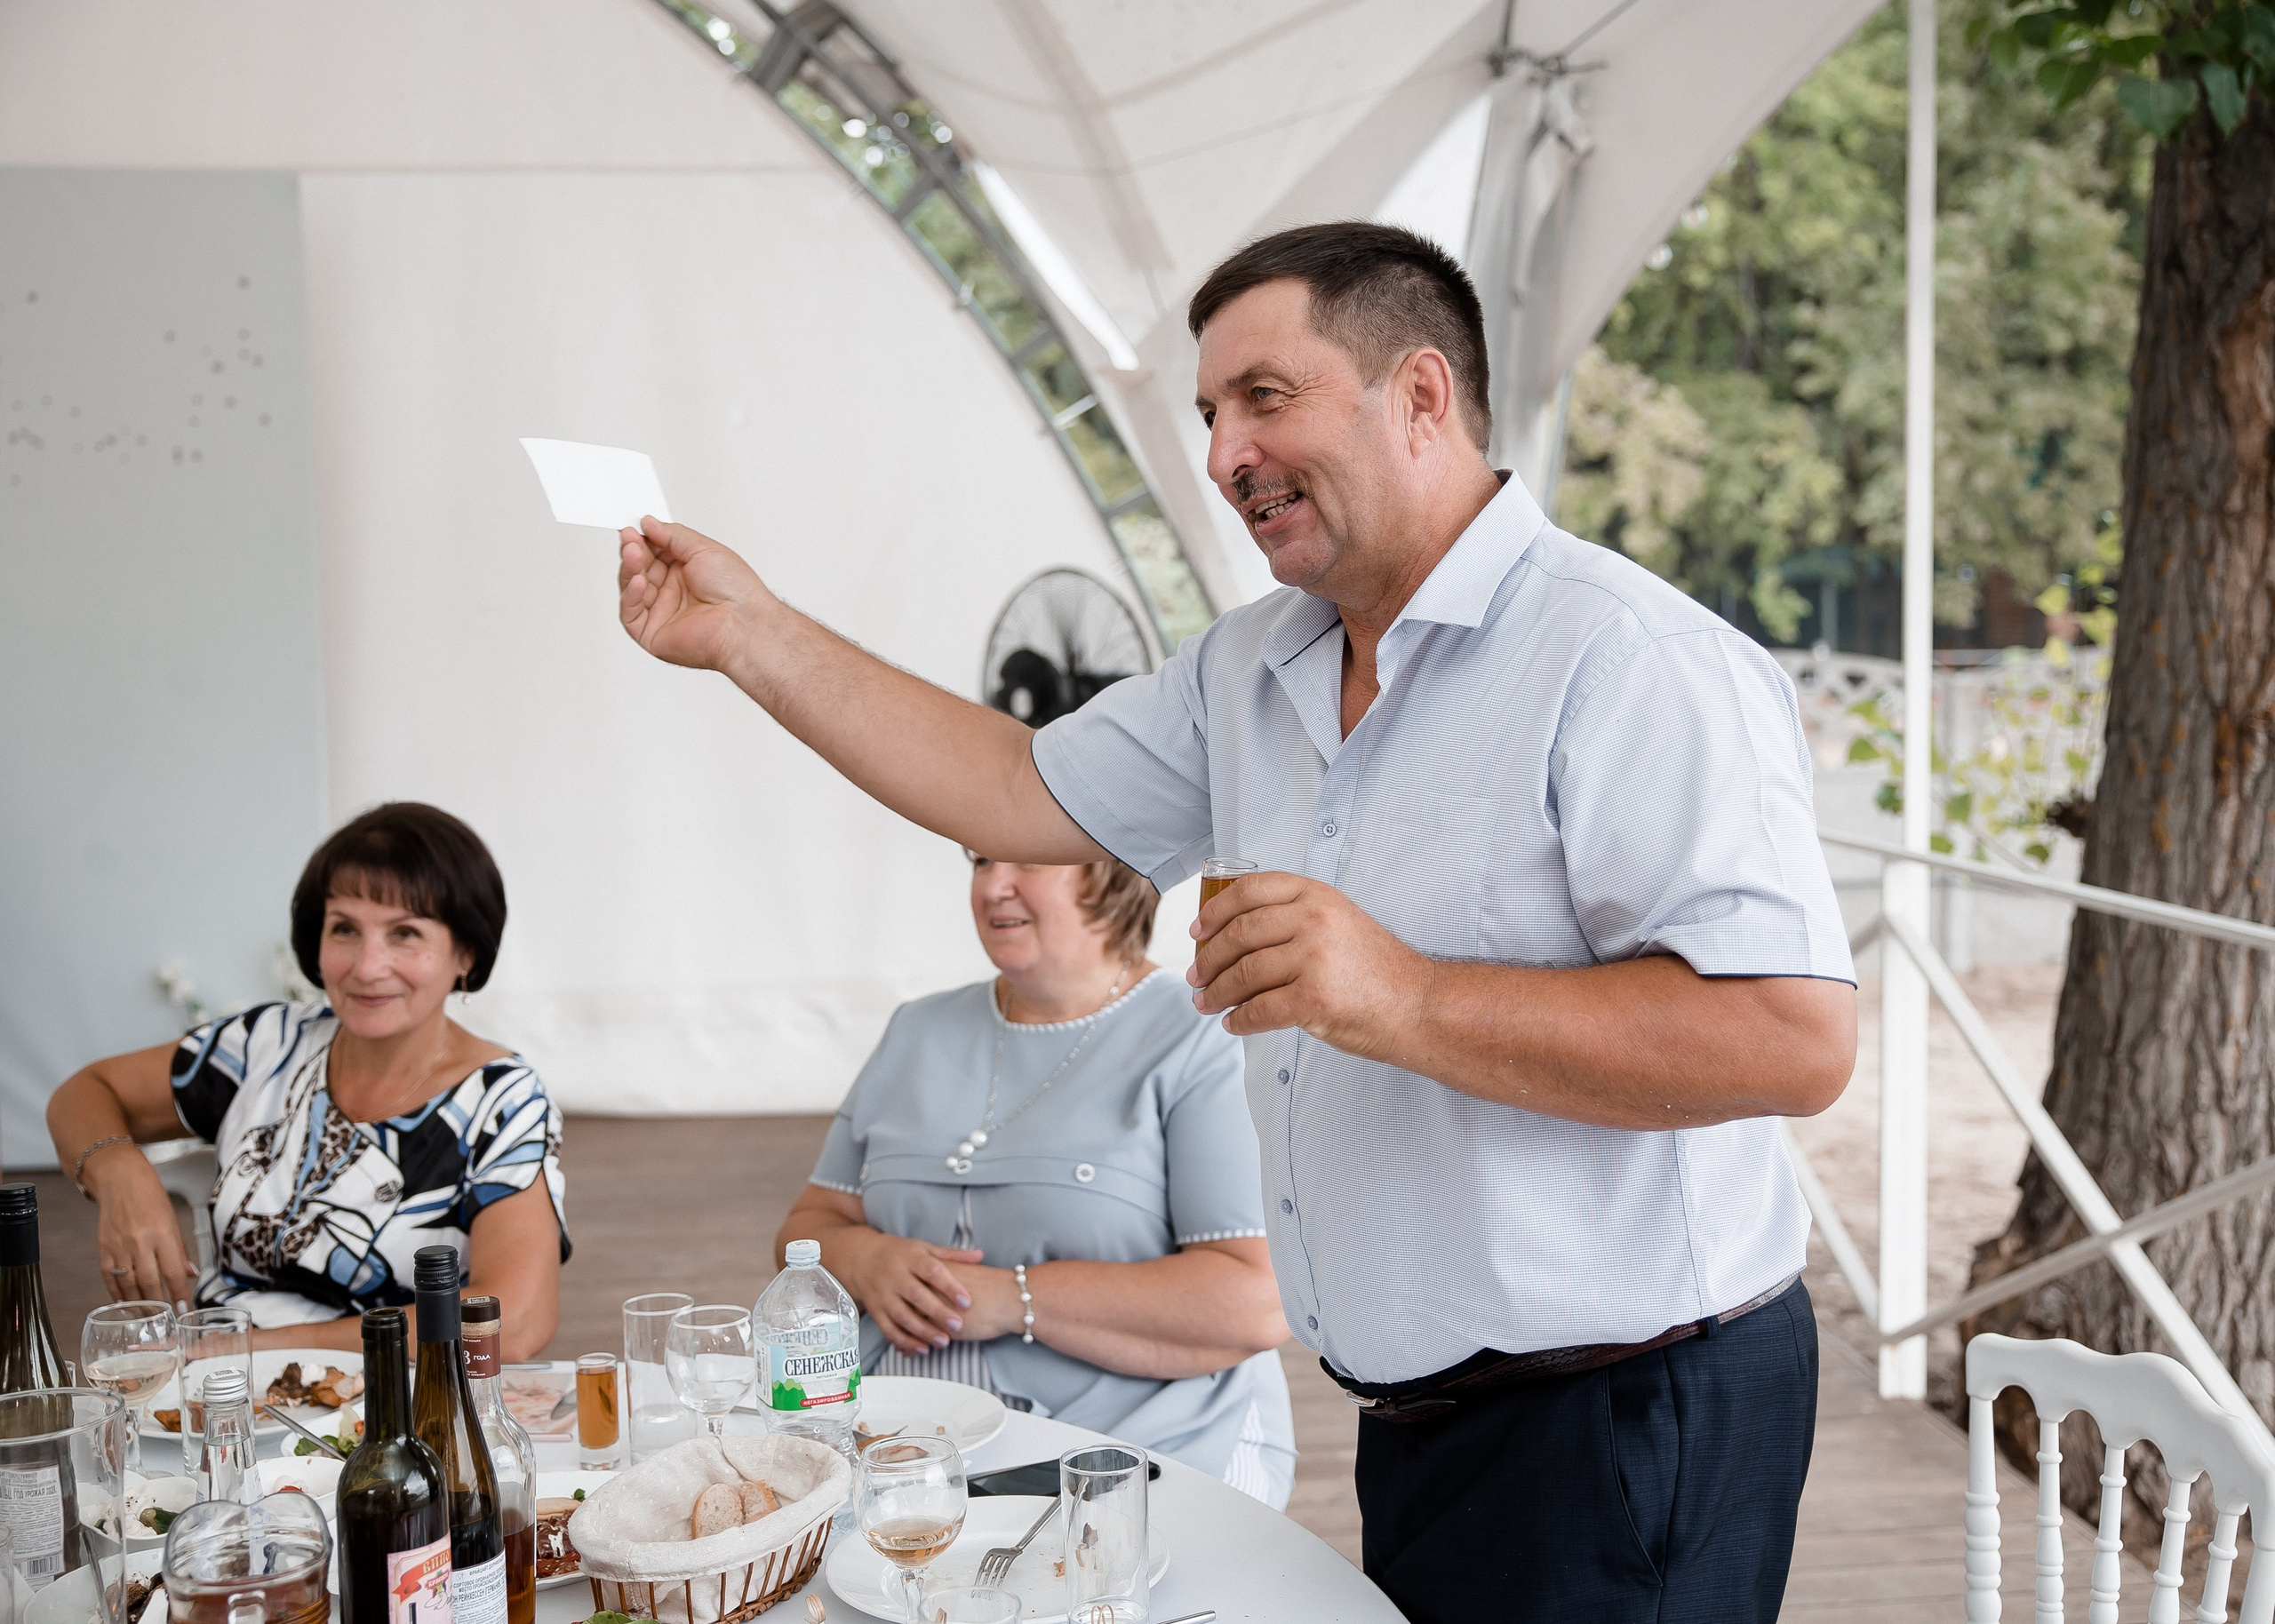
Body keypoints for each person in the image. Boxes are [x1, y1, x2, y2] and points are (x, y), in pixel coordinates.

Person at [611, 222, 1856, 1622]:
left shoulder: (1630, 660)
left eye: (1264, 397)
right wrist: (751, 634)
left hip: (1627, 1416)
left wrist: (1398, 995)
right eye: (1210, 414)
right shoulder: (1252, 667)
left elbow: (1793, 1039)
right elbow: (1014, 784)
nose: (1221, 455)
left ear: (1421, 397)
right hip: (1419, 1424)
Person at [778, 850, 1296, 1504]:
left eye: (1027, 859)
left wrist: (1010, 1299)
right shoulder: (917, 1029)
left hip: (1129, 1459)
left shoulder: (1202, 1036)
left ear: (1115, 870)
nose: (994, 885)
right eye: (980, 860)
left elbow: (1255, 1302)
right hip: (893, 1451)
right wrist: (864, 1259)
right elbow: (807, 1229)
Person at [48, 802, 566, 1359]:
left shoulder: (501, 1102)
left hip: (397, 1396)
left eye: (404, 934)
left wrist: (266, 1349)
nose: (367, 967)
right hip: (223, 1392)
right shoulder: (267, 1047)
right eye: (344, 929)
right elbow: (84, 1094)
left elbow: (514, 1319)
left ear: (465, 953)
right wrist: (121, 1173)